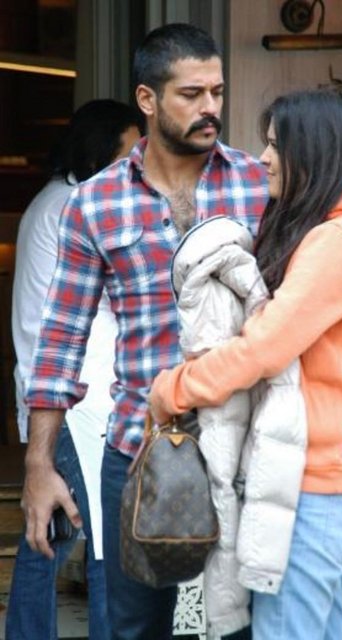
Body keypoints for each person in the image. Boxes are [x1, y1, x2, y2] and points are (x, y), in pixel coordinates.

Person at [22, 23, 342, 640]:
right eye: (191, 94)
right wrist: (39, 466)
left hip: (251, 453)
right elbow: (59, 343)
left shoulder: (267, 182)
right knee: (130, 628)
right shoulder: (93, 204)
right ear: (148, 100)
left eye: (218, 91)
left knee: (245, 626)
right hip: (144, 446)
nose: (210, 107)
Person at [148, 87, 342, 639]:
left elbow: (262, 349)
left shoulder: (337, 241)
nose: (263, 158)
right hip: (310, 479)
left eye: (275, 146)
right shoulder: (329, 233)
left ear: (314, 150)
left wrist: (174, 389)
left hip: (313, 484)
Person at [7, 99, 142, 640]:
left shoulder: (53, 200)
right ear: (98, 153)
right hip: (79, 400)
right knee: (107, 541)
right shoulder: (74, 208)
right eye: (129, 154)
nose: (137, 166)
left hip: (60, 391)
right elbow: (128, 288)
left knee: (49, 532)